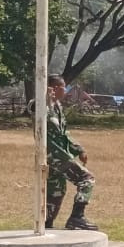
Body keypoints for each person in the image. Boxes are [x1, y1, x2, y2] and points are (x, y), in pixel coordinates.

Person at [41, 75, 98, 231]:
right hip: (54, 155)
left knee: (56, 190)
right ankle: (76, 218)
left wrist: (79, 149)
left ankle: (46, 224)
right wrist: (45, 100)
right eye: (63, 87)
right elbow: (33, 111)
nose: (65, 90)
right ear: (54, 87)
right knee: (87, 178)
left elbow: (63, 134)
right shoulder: (39, 104)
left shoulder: (58, 106)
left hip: (60, 154)